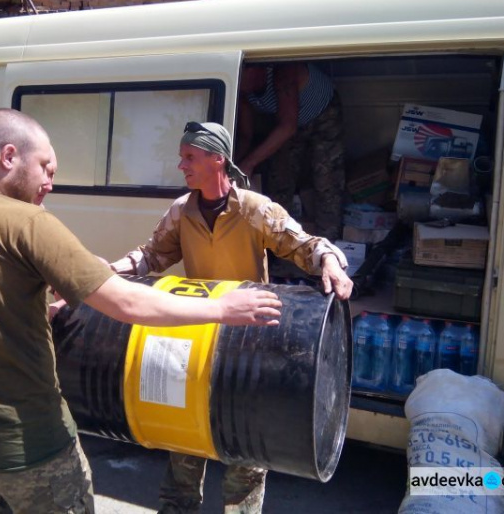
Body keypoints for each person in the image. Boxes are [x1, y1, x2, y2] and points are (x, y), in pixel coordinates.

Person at [0, 109, 283, 514]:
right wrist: (220, 307)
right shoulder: (27, 223)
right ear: (8, 156)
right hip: (27, 442)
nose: (49, 183)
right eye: (46, 167)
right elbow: (127, 302)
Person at [110, 121, 353, 514]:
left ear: (216, 159)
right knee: (183, 453)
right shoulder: (181, 211)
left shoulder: (255, 209)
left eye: (189, 157)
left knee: (245, 459)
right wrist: (111, 269)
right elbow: (152, 255)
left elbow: (302, 244)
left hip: (247, 347)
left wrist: (330, 261)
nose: (181, 166)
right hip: (193, 339)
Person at [236, 62, 345, 241]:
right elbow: (245, 135)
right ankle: (279, 244)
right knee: (279, 178)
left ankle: (328, 247)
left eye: (243, 72)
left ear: (256, 68)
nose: (239, 79)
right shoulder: (243, 90)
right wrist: (235, 165)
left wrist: (249, 163)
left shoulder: (283, 72)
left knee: (327, 180)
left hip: (323, 114)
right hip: (288, 121)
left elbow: (288, 127)